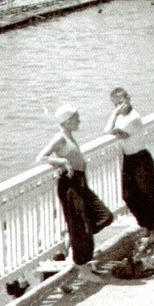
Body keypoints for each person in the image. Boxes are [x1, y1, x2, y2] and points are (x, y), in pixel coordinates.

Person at [36, 104, 114, 284]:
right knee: (81, 227)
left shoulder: (70, 136)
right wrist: (62, 162)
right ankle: (82, 268)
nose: (79, 121)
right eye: (76, 118)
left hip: (80, 182)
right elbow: (40, 158)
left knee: (105, 216)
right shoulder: (60, 138)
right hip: (69, 185)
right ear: (67, 121)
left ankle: (73, 237)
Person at [104, 88, 154, 254]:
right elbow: (110, 131)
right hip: (129, 159)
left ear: (128, 98)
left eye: (121, 102)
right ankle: (146, 225)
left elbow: (109, 131)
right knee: (129, 195)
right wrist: (116, 114)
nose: (119, 106)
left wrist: (114, 114)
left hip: (140, 158)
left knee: (149, 194)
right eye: (115, 104)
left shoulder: (133, 118)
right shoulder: (121, 117)